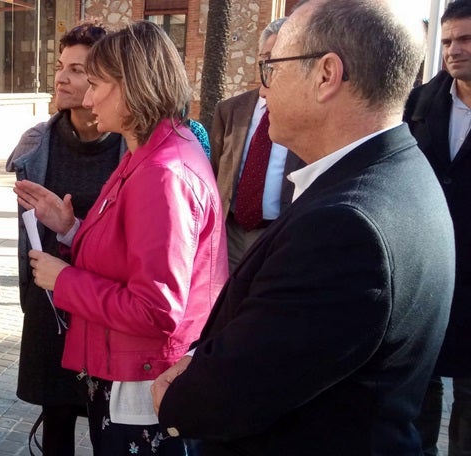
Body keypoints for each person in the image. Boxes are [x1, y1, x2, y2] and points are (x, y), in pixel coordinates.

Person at [153, 1, 454, 454]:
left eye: (272, 68)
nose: (263, 87)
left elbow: (225, 398)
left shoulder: (346, 228)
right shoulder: (396, 169)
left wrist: (181, 394)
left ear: (326, 75)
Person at [14, 20, 227, 456]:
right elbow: (131, 254)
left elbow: (155, 308)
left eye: (95, 84)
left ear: (132, 86)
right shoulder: (146, 152)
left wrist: (64, 280)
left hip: (142, 378)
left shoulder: (162, 172)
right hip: (131, 366)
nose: (87, 98)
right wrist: (70, 228)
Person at [6, 21, 124, 455]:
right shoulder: (37, 143)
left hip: (107, 305)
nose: (61, 78)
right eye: (60, 66)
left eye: (77, 70)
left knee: (107, 422)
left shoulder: (130, 146)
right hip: (50, 305)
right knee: (55, 420)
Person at [404, 1, 471, 454]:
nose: (453, 50)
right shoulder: (420, 102)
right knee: (418, 391)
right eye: (447, 41)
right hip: (427, 268)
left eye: (465, 39)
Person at [210, 17, 304, 271]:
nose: (269, 66)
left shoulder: (304, 114)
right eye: (265, 57)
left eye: (277, 58)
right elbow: (216, 167)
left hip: (276, 233)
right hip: (229, 232)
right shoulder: (230, 110)